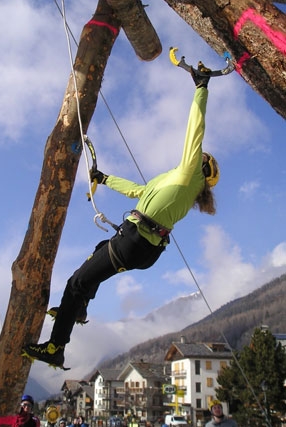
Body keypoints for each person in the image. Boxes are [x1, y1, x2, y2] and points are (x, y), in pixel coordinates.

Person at [22, 62, 220, 369]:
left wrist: (201, 89)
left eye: (200, 158)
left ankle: (55, 347)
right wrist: (104, 178)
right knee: (100, 253)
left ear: (201, 168)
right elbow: (138, 191)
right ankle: (79, 310)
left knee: (76, 283)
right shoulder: (177, 188)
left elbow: (196, 129)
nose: (197, 155)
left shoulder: (186, 176)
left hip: (135, 241)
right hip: (143, 246)